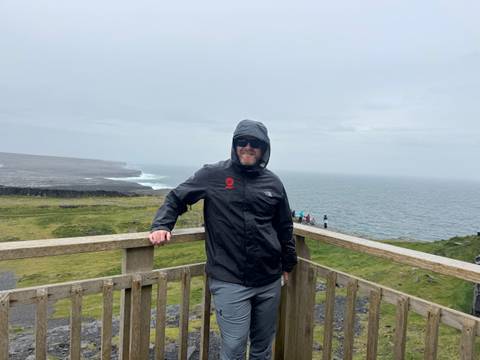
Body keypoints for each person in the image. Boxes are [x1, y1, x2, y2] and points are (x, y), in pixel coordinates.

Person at [149, 119, 297, 360]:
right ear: (234, 145)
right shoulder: (213, 174)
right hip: (230, 280)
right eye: (242, 142)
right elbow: (177, 198)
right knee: (234, 348)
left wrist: (288, 265)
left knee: (262, 347)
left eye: (255, 143)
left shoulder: (273, 183)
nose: (248, 147)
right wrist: (162, 224)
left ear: (264, 148)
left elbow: (284, 227)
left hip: (269, 279)